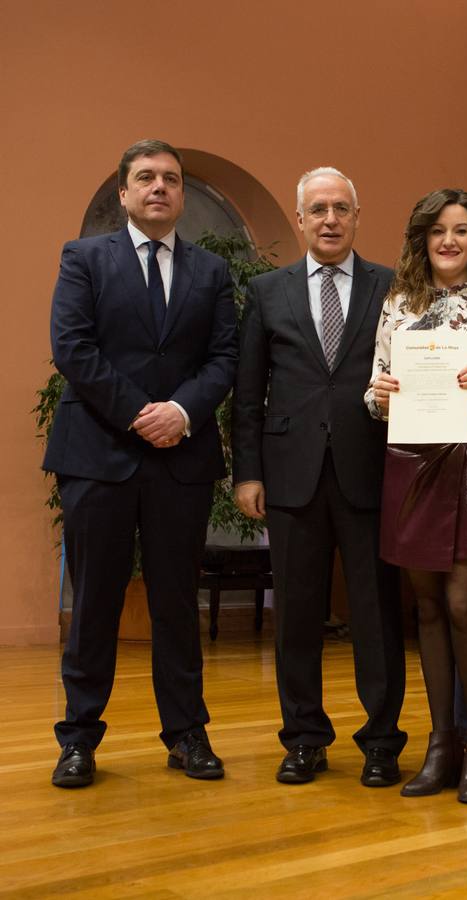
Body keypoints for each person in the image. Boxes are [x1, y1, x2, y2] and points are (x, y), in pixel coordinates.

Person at [45, 139, 238, 787]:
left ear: (181, 196)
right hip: (98, 455)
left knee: (176, 604)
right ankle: (78, 739)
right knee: (95, 600)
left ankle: (186, 734)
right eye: (146, 178)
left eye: (172, 180)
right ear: (124, 194)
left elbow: (224, 360)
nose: (160, 187)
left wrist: (180, 413)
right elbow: (73, 347)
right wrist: (139, 413)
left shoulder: (211, 273)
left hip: (179, 461)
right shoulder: (84, 259)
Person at [232, 167, 406, 787]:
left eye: (341, 208)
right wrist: (247, 474)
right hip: (290, 475)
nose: (329, 220)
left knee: (376, 614)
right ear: (300, 220)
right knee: (298, 614)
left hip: (370, 472)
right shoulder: (267, 292)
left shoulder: (393, 287)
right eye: (318, 210)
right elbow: (247, 392)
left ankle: (382, 741)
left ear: (357, 217)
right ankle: (304, 738)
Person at [365, 188, 467, 804]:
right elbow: (370, 394)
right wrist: (379, 393)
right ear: (422, 240)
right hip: (410, 461)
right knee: (427, 608)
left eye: (461, 231)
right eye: (438, 231)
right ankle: (440, 744)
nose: (450, 241)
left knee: (465, 605)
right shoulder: (397, 304)